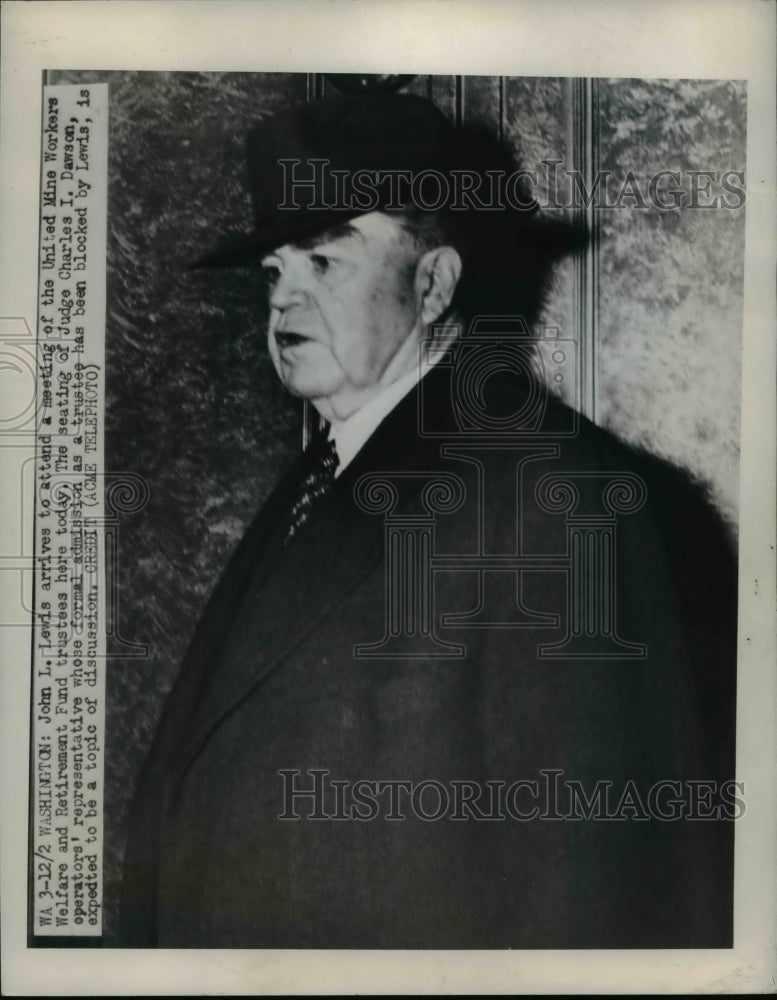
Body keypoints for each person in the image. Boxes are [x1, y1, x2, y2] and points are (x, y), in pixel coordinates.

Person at [120, 92, 737, 948]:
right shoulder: (323, 471)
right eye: (273, 272)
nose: (283, 301)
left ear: (433, 283)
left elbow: (594, 883)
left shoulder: (557, 489)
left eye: (323, 263)